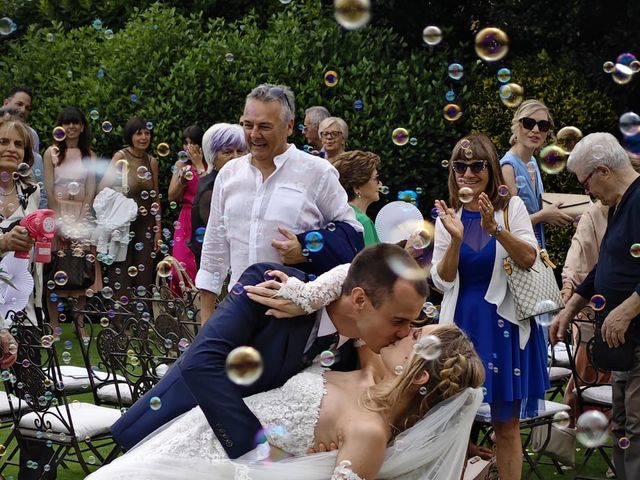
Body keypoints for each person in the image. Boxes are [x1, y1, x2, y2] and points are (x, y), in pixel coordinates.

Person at [112, 244, 427, 461]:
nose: (403, 332)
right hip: (169, 431)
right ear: (359, 300)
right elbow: (200, 364)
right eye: (398, 320)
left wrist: (320, 446)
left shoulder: (350, 360)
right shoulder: (270, 286)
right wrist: (259, 450)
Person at [92, 322, 484, 480]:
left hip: (208, 468)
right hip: (194, 434)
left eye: (417, 338)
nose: (406, 330)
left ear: (417, 375)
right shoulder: (362, 369)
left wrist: (305, 466)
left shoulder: (369, 432)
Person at [432, 134, 549, 480]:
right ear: (453, 171)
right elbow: (442, 281)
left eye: (477, 165)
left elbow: (529, 258)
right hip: (463, 328)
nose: (468, 173)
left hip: (504, 326)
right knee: (456, 424)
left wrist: (495, 229)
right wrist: (455, 240)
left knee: (506, 426)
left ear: (491, 169)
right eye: (460, 166)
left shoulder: (510, 208)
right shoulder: (447, 217)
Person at [195, 84, 363, 323]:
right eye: (247, 125)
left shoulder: (316, 172)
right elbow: (214, 247)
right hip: (238, 311)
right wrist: (207, 318)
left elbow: (353, 233)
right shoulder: (229, 174)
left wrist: (305, 250)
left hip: (294, 314)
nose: (254, 135)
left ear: (290, 126)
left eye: (264, 126)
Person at [550, 133, 640, 480]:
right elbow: (605, 266)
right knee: (624, 429)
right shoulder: (619, 204)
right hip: (621, 344)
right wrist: (571, 307)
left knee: (636, 430)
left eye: (586, 184)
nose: (588, 193)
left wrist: (631, 306)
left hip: (635, 337)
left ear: (602, 170)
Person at [0, 114, 53, 479]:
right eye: (3, 141)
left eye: (18, 144)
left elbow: (39, 252)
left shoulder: (30, 192)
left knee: (36, 407)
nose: (10, 149)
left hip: (24, 310)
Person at [42, 106, 100, 334]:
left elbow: (90, 190)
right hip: (56, 214)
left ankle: (80, 324)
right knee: (54, 268)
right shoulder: (51, 153)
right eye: (67, 123)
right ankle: (55, 324)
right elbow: (49, 188)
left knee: (81, 269)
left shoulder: (90, 155)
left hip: (81, 215)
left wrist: (81, 220)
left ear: (83, 126)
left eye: (76, 123)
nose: (71, 127)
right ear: (60, 126)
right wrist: (60, 223)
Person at [97, 117, 161, 297]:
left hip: (145, 225)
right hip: (123, 225)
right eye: (138, 133)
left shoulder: (152, 162)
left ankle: (142, 321)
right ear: (130, 135)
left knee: (144, 274)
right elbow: (103, 187)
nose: (143, 137)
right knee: (121, 272)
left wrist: (157, 230)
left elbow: (155, 197)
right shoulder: (121, 157)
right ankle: (119, 322)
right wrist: (121, 197)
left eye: (147, 133)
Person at [500, 99, 573, 249]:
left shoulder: (532, 161)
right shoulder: (508, 167)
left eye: (543, 125)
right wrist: (544, 215)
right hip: (518, 252)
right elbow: (507, 224)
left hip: (536, 250)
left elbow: (533, 210)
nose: (535, 130)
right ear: (517, 126)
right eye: (528, 123)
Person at [188, 123, 247, 266]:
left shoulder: (238, 181)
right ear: (212, 156)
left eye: (240, 151)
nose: (235, 157)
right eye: (227, 152)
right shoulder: (211, 188)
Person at [167, 125, 205, 289]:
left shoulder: (210, 164)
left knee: (200, 268)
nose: (189, 147)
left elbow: (209, 193)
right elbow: (171, 196)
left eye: (193, 143)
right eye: (185, 143)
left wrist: (199, 165)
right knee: (180, 267)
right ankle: (181, 308)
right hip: (186, 219)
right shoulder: (181, 165)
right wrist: (182, 181)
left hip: (204, 219)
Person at [3, 86, 47, 207]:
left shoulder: (32, 135)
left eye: (27, 108)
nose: (23, 110)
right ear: (6, 103)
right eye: (19, 104)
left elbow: (33, 172)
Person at [333, 150, 381, 245]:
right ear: (357, 187)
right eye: (376, 178)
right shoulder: (363, 222)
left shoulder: (337, 214)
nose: (380, 183)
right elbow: (372, 259)